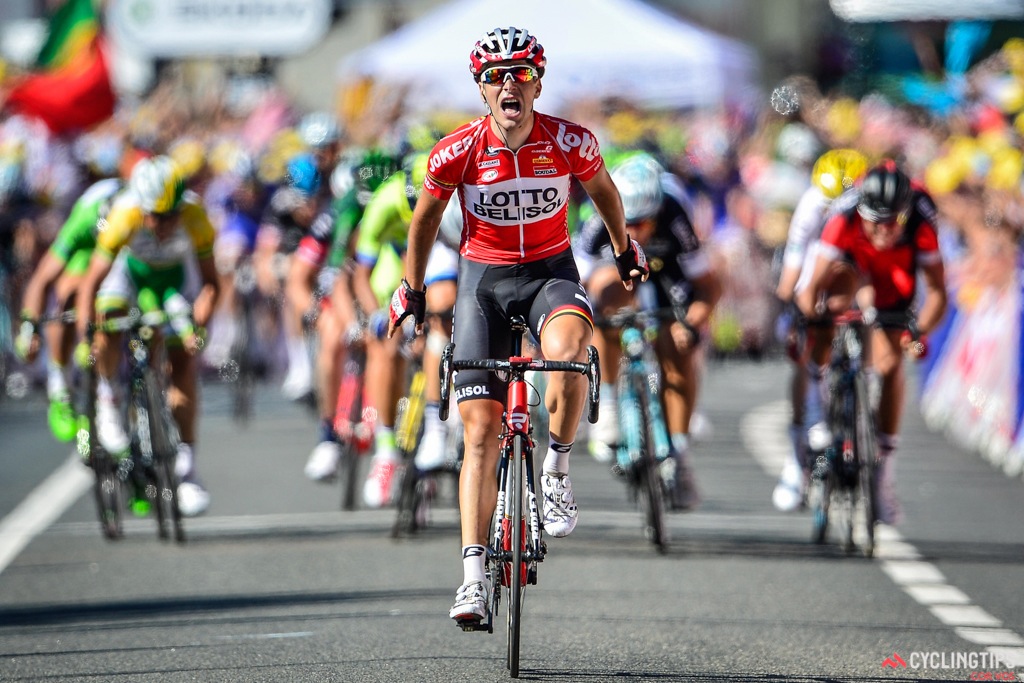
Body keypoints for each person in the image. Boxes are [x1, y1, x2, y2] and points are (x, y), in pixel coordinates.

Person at [385, 26, 648, 624]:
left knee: (571, 344)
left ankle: (556, 467)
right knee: (478, 431)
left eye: (521, 74)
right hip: (484, 283)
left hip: (550, 274)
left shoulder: (570, 141)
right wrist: (414, 289)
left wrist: (624, 247)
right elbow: (424, 221)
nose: (510, 84)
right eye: (496, 77)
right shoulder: (457, 151)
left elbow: (604, 192)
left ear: (537, 83)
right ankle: (473, 576)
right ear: (481, 89)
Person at [796, 159, 947, 525]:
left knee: (892, 364)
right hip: (851, 266)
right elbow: (807, 290)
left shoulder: (921, 222)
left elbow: (939, 293)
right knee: (832, 306)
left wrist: (918, 331)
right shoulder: (843, 218)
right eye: (875, 221)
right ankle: (820, 412)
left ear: (905, 215)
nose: (883, 231)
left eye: (892, 221)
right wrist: (817, 320)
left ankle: (884, 473)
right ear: (861, 213)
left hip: (896, 273)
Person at [74, 156, 220, 517]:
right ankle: (109, 394)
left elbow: (211, 285)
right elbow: (91, 283)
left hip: (174, 280)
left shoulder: (196, 218)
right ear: (141, 207)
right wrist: (86, 334)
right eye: (154, 216)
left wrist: (198, 326)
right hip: (129, 274)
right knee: (107, 316)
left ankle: (186, 469)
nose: (162, 225)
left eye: (170, 216)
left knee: (183, 364)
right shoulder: (124, 216)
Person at [577, 152, 721, 510]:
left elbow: (708, 286)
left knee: (677, 347)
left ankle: (679, 453)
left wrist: (691, 322)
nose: (637, 231)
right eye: (630, 223)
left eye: (645, 223)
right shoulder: (599, 221)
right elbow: (574, 284)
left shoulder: (674, 215)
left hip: (669, 271)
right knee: (601, 308)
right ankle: (609, 402)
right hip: (617, 271)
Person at [771, 148, 868, 511]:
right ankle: (796, 459)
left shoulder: (866, 205)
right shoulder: (812, 204)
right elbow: (794, 269)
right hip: (818, 262)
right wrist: (794, 311)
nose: (834, 211)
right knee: (809, 345)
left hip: (854, 261)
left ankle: (863, 394)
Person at [17, 175, 127, 442]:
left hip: (127, 244)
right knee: (67, 292)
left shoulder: (133, 217)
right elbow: (42, 280)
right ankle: (59, 383)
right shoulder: (85, 222)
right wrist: (28, 328)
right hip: (88, 249)